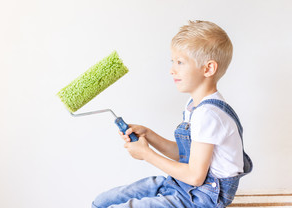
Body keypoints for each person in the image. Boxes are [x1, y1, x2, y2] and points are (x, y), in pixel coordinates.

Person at [92, 20, 253, 208]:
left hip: (203, 198)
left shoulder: (208, 115)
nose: (172, 70)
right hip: (183, 186)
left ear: (208, 68)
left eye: (180, 62)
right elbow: (185, 155)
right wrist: (149, 135)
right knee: (102, 201)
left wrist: (147, 154)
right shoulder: (194, 105)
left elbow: (195, 176)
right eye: (173, 61)